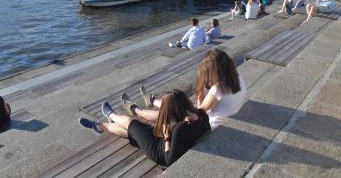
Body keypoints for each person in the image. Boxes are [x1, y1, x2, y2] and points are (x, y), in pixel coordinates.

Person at [79, 89, 211, 167]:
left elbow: (168, 160)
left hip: (158, 150)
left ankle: (109, 116)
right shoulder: (201, 115)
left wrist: (167, 137)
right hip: (178, 144)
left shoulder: (180, 128)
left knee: (133, 124)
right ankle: (101, 126)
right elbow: (206, 130)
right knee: (135, 132)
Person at [123, 49, 246, 129]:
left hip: (208, 126)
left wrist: (200, 87)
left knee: (167, 113)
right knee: (178, 104)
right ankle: (152, 100)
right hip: (223, 116)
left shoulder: (218, 89)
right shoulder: (237, 78)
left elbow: (199, 112)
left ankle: (135, 110)